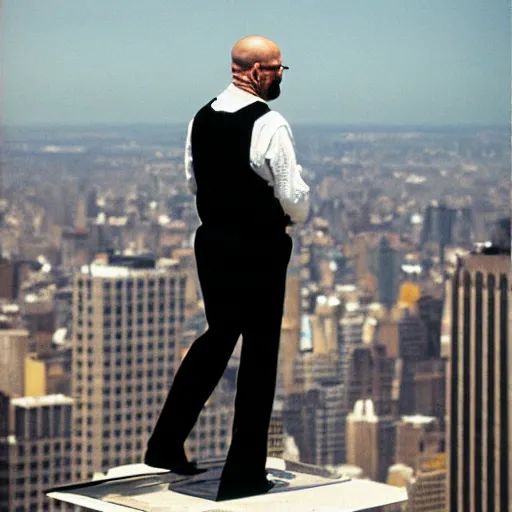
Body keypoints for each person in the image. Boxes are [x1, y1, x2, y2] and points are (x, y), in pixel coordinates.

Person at [144, 35, 310, 501]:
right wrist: (293, 218)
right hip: (258, 246)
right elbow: (291, 193)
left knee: (218, 335)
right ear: (257, 71)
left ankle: (165, 441)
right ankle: (243, 472)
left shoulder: (201, 118)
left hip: (212, 242)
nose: (281, 76)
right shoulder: (270, 124)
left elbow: (193, 179)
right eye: (277, 68)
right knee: (259, 354)